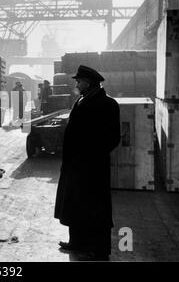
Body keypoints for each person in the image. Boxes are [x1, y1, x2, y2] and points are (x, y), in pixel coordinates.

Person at [54, 65, 120, 261]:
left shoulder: (107, 104)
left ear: (88, 82)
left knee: (96, 209)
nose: (76, 84)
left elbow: (112, 137)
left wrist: (91, 157)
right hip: (75, 166)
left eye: (79, 81)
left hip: (93, 168)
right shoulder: (82, 100)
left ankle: (100, 250)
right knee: (76, 205)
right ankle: (77, 242)